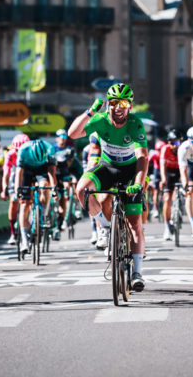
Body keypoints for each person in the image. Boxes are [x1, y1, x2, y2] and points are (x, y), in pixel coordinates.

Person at [69, 84, 148, 292]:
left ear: (130, 106)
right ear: (108, 104)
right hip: (107, 167)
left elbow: (142, 158)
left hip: (131, 171)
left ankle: (137, 273)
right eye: (113, 103)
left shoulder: (135, 124)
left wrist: (139, 183)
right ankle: (104, 227)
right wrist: (91, 111)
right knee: (81, 190)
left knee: (135, 223)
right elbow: (73, 133)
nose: (117, 107)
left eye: (123, 103)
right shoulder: (100, 119)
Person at [14, 139, 58, 252]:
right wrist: (17, 191)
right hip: (27, 170)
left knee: (44, 186)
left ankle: (43, 213)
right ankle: (24, 240)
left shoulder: (50, 149)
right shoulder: (23, 150)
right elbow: (19, 173)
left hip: (42, 169)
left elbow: (52, 172)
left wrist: (54, 190)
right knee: (24, 203)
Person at [2, 133, 29, 245]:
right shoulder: (10, 155)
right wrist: (4, 189)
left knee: (28, 201)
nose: (19, 153)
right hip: (15, 175)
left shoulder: (30, 154)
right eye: (17, 150)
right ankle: (13, 233)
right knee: (13, 202)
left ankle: (30, 223)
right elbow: (6, 175)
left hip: (27, 174)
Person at [53, 128, 77, 238]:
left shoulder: (69, 149)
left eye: (64, 138)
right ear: (56, 138)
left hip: (64, 173)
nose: (62, 140)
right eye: (60, 138)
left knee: (65, 195)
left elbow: (71, 164)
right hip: (53, 174)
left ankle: (62, 219)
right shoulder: (52, 149)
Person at [159, 129, 181, 240]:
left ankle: (178, 209)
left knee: (180, 192)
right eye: (172, 143)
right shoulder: (165, 149)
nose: (174, 146)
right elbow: (162, 166)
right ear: (168, 143)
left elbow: (186, 167)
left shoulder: (183, 149)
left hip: (180, 172)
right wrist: (163, 179)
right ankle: (167, 226)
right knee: (167, 199)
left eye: (177, 143)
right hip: (169, 172)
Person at [82, 132, 102, 245]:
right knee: (93, 198)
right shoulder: (86, 150)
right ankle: (96, 231)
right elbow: (88, 167)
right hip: (95, 173)